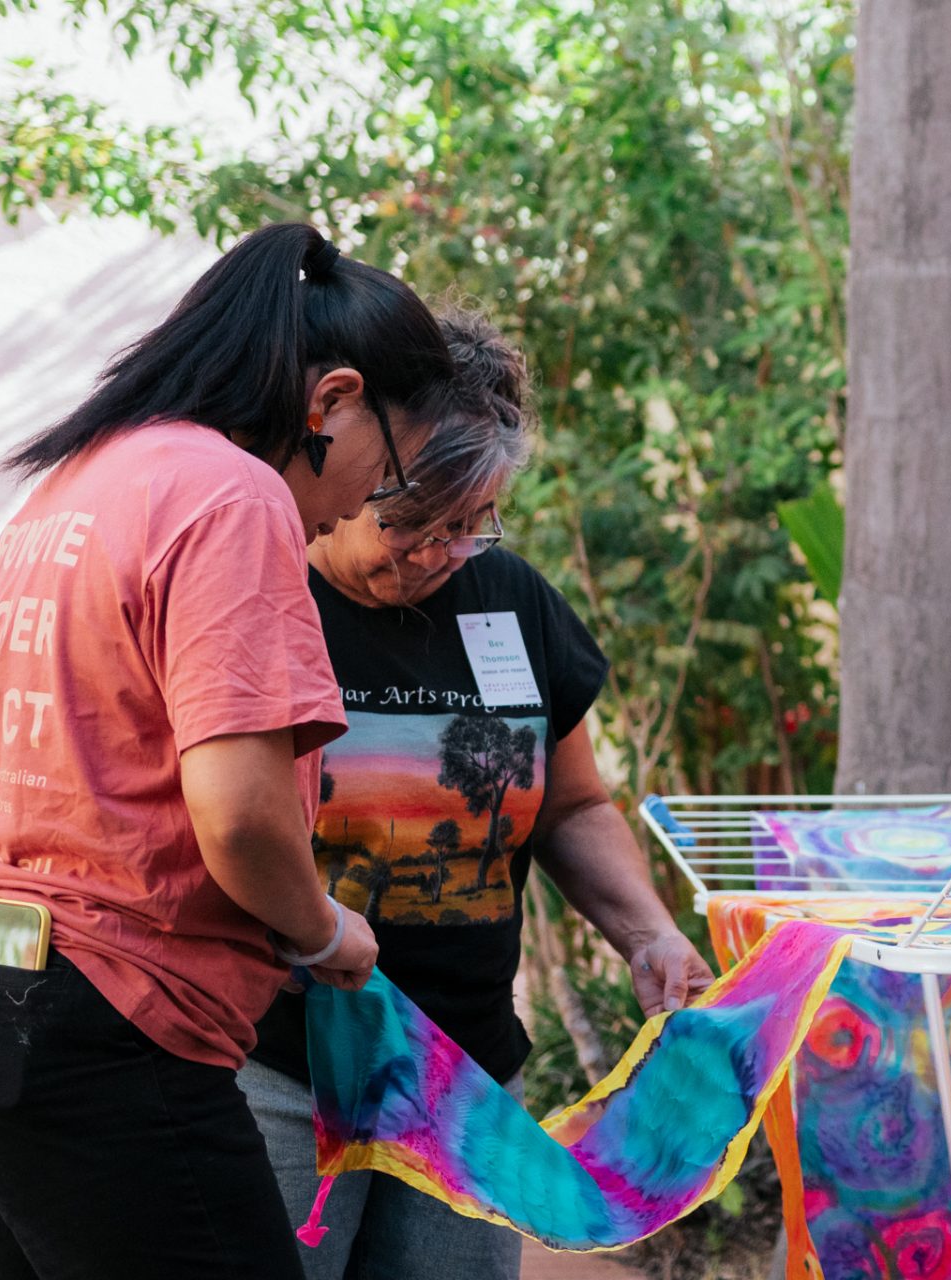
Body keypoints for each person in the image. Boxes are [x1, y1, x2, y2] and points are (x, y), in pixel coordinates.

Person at [0, 223, 463, 1280]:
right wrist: (322, 929)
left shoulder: (86, 477)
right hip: (103, 1025)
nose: (364, 503)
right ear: (333, 400)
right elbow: (243, 815)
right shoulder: (233, 493)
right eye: (390, 468)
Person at [239, 310, 715, 1280]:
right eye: (414, 523)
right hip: (278, 1060)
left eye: (470, 524)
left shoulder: (512, 598)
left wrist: (648, 934)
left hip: (467, 1066)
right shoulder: (260, 594)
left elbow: (575, 805)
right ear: (356, 480)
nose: (438, 553)